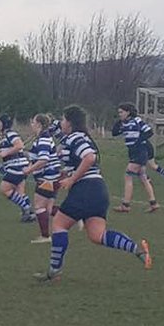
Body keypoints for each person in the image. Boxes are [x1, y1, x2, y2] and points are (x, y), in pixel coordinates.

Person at [35, 105, 152, 283]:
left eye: (64, 119)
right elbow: (76, 163)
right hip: (98, 190)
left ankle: (54, 271)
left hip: (85, 189)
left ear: (70, 122)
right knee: (97, 235)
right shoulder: (75, 138)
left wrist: (73, 179)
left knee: (59, 224)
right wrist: (61, 178)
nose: (62, 123)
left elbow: (89, 158)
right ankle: (136, 249)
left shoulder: (76, 138)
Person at [111, 103, 162, 213]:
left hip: (139, 151)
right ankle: (153, 203)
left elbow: (149, 132)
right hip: (133, 152)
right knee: (143, 177)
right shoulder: (124, 123)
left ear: (128, 112)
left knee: (128, 176)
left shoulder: (136, 120)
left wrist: (137, 142)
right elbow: (114, 133)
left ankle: (126, 205)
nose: (119, 114)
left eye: (121, 112)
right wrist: (119, 121)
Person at [23, 114, 62, 244]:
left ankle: (45, 236)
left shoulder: (43, 139)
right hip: (53, 178)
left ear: (39, 124)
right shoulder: (43, 138)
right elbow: (38, 156)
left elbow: (43, 160)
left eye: (33, 122)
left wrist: (28, 170)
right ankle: (76, 215)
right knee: (49, 209)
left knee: (39, 206)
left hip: (47, 179)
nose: (31, 124)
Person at [0, 115, 35, 222]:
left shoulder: (10, 134)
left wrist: (6, 152)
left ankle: (26, 208)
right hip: (18, 166)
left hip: (17, 167)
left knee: (4, 189)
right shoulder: (4, 136)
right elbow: (7, 153)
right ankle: (30, 214)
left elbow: (19, 146)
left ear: (4, 124)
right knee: (20, 193)